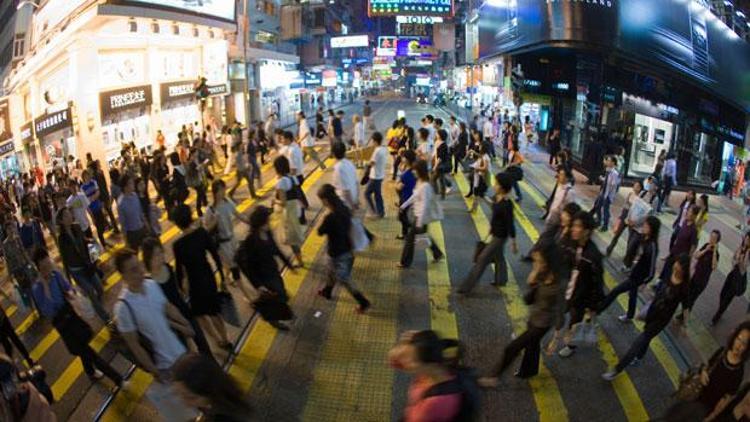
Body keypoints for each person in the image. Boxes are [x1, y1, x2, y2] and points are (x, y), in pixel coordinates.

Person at [112, 248, 198, 421]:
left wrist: (185, 323)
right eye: (133, 269)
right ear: (123, 275)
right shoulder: (123, 308)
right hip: (165, 367)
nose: (140, 271)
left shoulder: (151, 284)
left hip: (181, 352)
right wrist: (154, 370)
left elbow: (167, 307)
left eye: (139, 266)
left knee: (196, 401)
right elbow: (134, 345)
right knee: (184, 413)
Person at [478, 241, 565, 387]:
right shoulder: (543, 272)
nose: (536, 264)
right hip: (534, 316)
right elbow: (530, 285)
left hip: (542, 324)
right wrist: (536, 272)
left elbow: (561, 309)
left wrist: (557, 337)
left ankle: (493, 377)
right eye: (535, 260)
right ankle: (529, 370)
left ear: (549, 261)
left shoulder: (560, 283)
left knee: (512, 348)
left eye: (539, 261)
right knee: (532, 345)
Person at [31, 249, 123, 385]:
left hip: (71, 316)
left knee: (84, 347)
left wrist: (70, 292)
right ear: (38, 268)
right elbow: (48, 311)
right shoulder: (37, 289)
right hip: (62, 324)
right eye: (44, 267)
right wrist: (46, 287)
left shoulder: (56, 275)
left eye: (48, 264)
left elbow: (68, 288)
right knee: (88, 352)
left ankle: (90, 371)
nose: (47, 269)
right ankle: (118, 379)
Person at [602, 253, 690, 380]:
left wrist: (685, 325)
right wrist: (649, 290)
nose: (675, 268)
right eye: (676, 265)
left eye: (679, 267)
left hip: (661, 320)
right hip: (652, 311)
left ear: (684, 269)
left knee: (640, 341)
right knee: (646, 338)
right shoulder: (670, 272)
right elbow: (660, 288)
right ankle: (640, 357)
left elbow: (686, 308)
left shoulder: (684, 287)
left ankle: (617, 369)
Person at [171, 204, 233, 351]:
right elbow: (215, 255)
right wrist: (222, 277)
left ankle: (216, 340)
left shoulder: (177, 245)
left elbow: (179, 270)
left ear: (176, 223)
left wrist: (181, 288)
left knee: (200, 314)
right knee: (214, 311)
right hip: (207, 277)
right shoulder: (201, 233)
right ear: (191, 217)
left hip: (194, 282)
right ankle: (225, 339)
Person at [141, 238, 213, 359]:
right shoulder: (150, 282)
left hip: (184, 311)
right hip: (172, 323)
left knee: (203, 344)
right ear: (148, 259)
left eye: (161, 252)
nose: (161, 257)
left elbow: (177, 290)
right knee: (185, 354)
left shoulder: (168, 268)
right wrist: (178, 325)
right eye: (156, 255)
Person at [388, 330, 470, 421]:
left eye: (413, 360)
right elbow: (394, 361)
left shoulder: (434, 403)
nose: (405, 362)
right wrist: (403, 345)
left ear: (431, 364)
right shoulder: (441, 365)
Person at [457, 172, 518, 293]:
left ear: (502, 186)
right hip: (495, 233)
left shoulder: (507, 204)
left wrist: (514, 241)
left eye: (496, 183)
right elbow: (495, 208)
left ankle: (466, 287)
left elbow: (510, 224)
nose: (494, 185)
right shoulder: (497, 197)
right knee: (499, 256)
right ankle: (501, 279)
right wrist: (485, 199)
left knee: (482, 259)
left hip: (500, 236)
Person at [236, 206, 294, 331]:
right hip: (263, 276)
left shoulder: (267, 232)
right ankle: (273, 320)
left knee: (280, 293)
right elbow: (249, 267)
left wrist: (288, 264)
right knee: (276, 296)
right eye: (267, 221)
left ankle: (273, 312)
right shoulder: (251, 241)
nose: (269, 223)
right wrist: (258, 285)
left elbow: (275, 248)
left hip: (273, 270)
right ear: (261, 223)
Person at [556, 212, 605, 358]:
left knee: (575, 321)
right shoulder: (572, 243)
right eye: (574, 225)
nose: (573, 229)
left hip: (581, 296)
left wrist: (593, 307)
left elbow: (597, 283)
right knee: (558, 312)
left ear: (587, 231)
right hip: (568, 289)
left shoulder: (593, 255)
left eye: (578, 226)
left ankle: (570, 346)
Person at [316, 184, 371, 312]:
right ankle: (327, 291)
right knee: (330, 271)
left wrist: (322, 218)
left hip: (338, 253)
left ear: (325, 200)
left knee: (344, 279)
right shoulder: (343, 207)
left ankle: (364, 303)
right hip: (347, 248)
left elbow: (319, 232)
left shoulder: (330, 217)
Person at [597, 216, 660, 322]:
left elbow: (652, 269)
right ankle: (630, 315)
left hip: (638, 278)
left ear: (652, 228)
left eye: (646, 225)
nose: (644, 227)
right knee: (632, 294)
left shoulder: (652, 246)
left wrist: (644, 282)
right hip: (634, 272)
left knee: (616, 291)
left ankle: (599, 309)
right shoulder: (644, 238)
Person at [56, 207, 110, 323]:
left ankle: (97, 305)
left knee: (100, 289)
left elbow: (83, 240)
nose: (69, 216)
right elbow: (64, 258)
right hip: (76, 271)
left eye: (69, 213)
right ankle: (106, 318)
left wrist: (91, 243)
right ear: (61, 221)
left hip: (87, 265)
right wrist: (68, 280)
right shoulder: (61, 238)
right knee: (90, 291)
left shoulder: (76, 227)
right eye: (66, 215)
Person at [203, 179, 253, 302]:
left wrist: (251, 222)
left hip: (232, 240)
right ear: (215, 192)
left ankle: (224, 282)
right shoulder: (210, 210)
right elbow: (206, 229)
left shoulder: (227, 202)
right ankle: (248, 296)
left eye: (224, 188)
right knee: (235, 267)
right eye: (221, 189)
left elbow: (238, 214)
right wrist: (213, 222)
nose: (224, 191)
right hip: (222, 244)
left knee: (229, 266)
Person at [172, 353, 252, 421]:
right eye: (178, 394)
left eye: (191, 397)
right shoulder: (226, 401)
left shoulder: (224, 417)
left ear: (209, 392)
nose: (186, 404)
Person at [696, 321, 750, 418]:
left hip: (707, 408)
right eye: (738, 338)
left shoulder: (739, 372)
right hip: (697, 394)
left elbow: (726, 399)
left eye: (744, 343)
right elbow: (706, 365)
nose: (738, 345)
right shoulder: (722, 351)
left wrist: (711, 417)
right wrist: (703, 373)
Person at [399, 160, 444, 268]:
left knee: (410, 240)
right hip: (418, 216)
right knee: (423, 236)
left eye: (415, 170)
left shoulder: (425, 187)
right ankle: (437, 253)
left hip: (420, 217)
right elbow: (414, 196)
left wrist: (419, 221)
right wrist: (404, 205)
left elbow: (425, 205)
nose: (413, 172)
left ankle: (405, 262)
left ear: (419, 171)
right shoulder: (419, 182)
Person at [677, 230, 720, 324]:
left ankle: (683, 318)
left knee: (691, 300)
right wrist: (706, 250)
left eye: (714, 238)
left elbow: (714, 267)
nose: (711, 239)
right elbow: (696, 255)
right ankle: (683, 316)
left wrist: (714, 251)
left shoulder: (716, 254)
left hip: (702, 282)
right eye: (711, 237)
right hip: (694, 276)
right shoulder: (706, 245)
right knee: (687, 296)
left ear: (717, 241)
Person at [711, 232, 750, 325]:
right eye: (746, 238)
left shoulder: (749, 252)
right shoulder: (741, 248)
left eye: (749, 240)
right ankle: (722, 309)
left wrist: (741, 260)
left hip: (739, 278)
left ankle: (716, 317)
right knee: (722, 294)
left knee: (728, 298)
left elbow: (744, 268)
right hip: (732, 274)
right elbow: (733, 259)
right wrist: (736, 260)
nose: (746, 241)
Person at [272, 156, 304, 267]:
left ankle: (299, 261)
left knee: (292, 238)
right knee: (294, 236)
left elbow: (283, 202)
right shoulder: (292, 178)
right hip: (296, 209)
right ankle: (299, 258)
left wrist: (275, 201)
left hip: (288, 213)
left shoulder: (281, 182)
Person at [658, 205, 699, 290]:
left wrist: (687, 260)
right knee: (666, 269)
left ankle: (663, 289)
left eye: (690, 211)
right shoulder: (684, 222)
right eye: (688, 210)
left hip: (680, 257)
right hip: (674, 252)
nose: (687, 213)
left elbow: (693, 246)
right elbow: (678, 239)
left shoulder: (694, 230)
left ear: (694, 215)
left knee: (671, 273)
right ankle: (659, 285)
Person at [605, 180, 645, 257]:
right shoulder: (630, 194)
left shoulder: (640, 198)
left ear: (640, 188)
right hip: (625, 216)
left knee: (630, 239)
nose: (635, 187)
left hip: (632, 219)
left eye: (637, 186)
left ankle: (628, 255)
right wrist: (621, 217)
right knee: (617, 234)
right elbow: (625, 205)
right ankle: (609, 250)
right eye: (634, 185)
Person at [280, 131, 308, 224]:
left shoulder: (291, 151)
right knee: (299, 194)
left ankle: (302, 218)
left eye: (283, 138)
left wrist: (289, 179)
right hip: (299, 176)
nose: (281, 140)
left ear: (288, 139)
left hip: (295, 177)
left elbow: (293, 168)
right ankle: (306, 205)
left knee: (297, 198)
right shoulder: (295, 146)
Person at [117, 174, 149, 253]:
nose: (133, 184)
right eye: (131, 183)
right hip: (132, 234)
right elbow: (123, 224)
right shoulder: (121, 203)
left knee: (148, 250)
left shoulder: (134, 195)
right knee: (134, 253)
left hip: (141, 228)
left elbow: (140, 212)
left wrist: (146, 224)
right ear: (125, 187)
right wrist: (125, 240)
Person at [590, 155, 620, 232]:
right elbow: (606, 182)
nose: (607, 162)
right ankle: (599, 221)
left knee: (606, 210)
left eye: (609, 161)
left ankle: (605, 225)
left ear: (613, 163)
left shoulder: (614, 173)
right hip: (603, 192)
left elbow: (613, 185)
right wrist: (603, 179)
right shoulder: (608, 170)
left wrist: (606, 195)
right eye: (607, 160)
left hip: (608, 195)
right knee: (598, 206)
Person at [365, 132, 388, 218]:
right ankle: (380, 212)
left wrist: (366, 164)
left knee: (366, 194)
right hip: (380, 175)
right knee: (377, 195)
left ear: (375, 141)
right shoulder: (383, 149)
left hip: (375, 176)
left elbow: (372, 163)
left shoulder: (377, 151)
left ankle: (374, 212)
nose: (371, 142)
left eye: (372, 141)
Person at [396, 150, 418, 240]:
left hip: (408, 197)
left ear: (408, 159)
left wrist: (398, 186)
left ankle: (410, 232)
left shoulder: (412, 172)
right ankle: (405, 234)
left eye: (404, 157)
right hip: (405, 196)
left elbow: (402, 184)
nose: (402, 158)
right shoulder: (407, 168)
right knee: (402, 216)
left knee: (403, 217)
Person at [431, 129, 453, 200]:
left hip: (441, 165)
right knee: (438, 179)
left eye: (437, 133)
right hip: (438, 164)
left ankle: (439, 194)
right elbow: (435, 153)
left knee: (438, 179)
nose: (436, 135)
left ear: (440, 135)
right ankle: (439, 193)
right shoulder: (437, 142)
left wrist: (435, 166)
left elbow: (440, 158)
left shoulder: (443, 145)